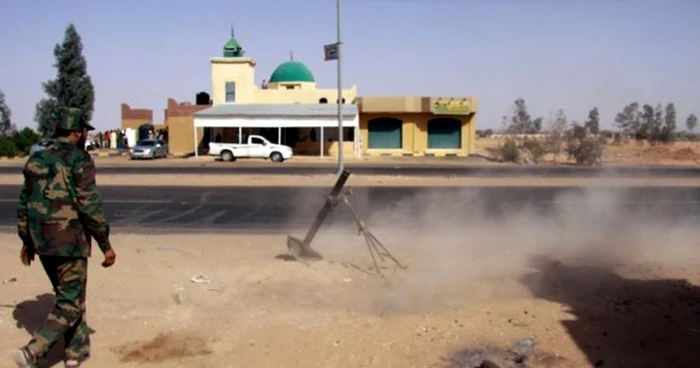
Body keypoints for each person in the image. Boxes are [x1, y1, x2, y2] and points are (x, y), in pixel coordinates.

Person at [11, 107, 116, 368]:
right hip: (69, 243)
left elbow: (24, 202)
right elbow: (90, 206)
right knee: (69, 304)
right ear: (77, 132)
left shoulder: (36, 159)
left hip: (42, 241)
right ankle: (32, 351)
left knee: (71, 297)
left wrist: (27, 240)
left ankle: (74, 354)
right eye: (83, 132)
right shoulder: (79, 159)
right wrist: (106, 244)